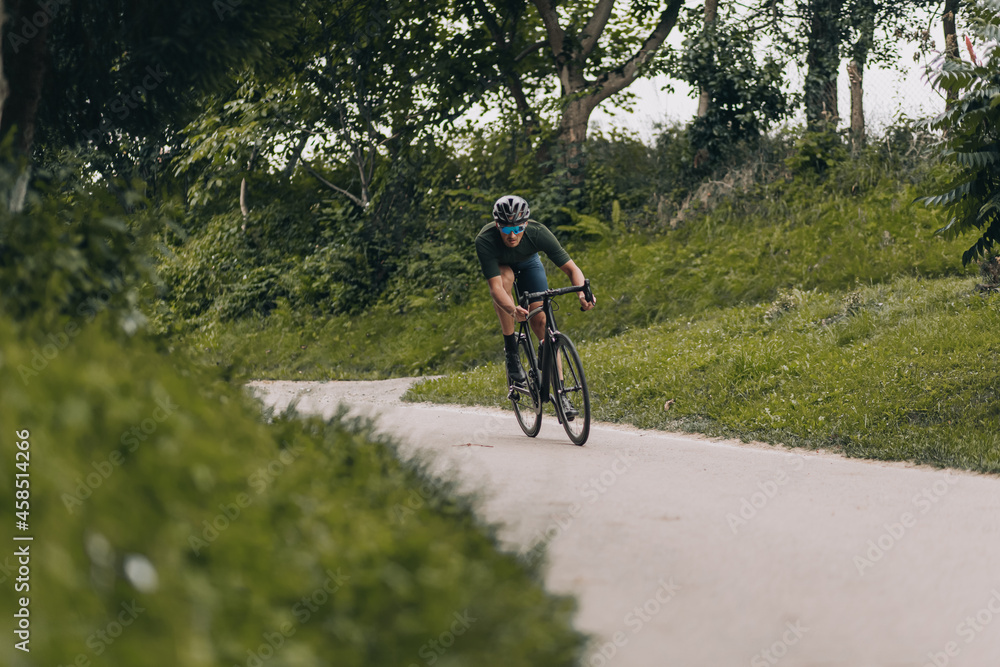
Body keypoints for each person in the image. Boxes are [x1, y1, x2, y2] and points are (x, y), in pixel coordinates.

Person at [475, 194, 596, 415]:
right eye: (506, 230)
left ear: (526, 224)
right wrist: (513, 309)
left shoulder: (538, 233)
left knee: (541, 320)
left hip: (529, 264)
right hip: (503, 268)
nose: (512, 236)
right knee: (505, 279)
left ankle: (561, 394)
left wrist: (581, 294)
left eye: (518, 229)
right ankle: (511, 349)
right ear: (497, 225)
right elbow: (495, 289)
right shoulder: (485, 240)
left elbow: (572, 269)